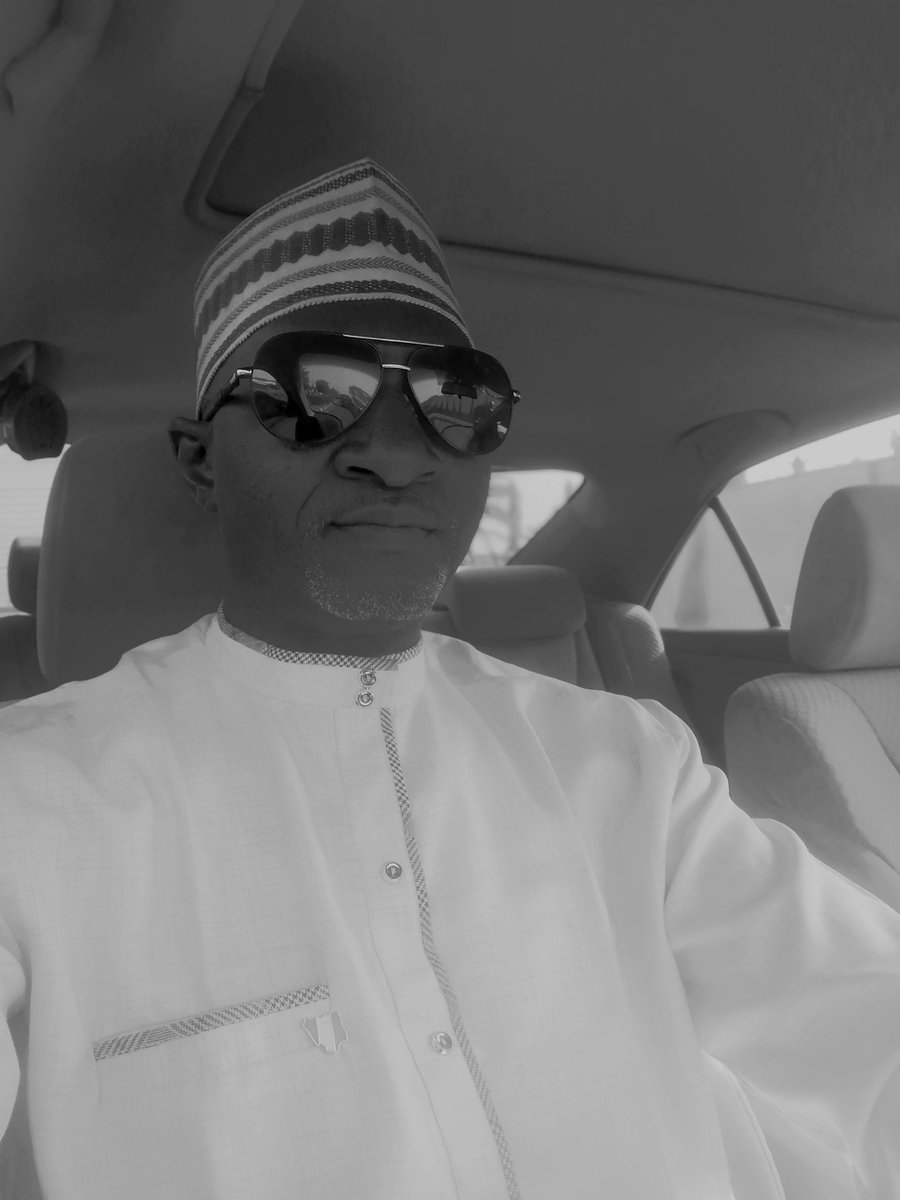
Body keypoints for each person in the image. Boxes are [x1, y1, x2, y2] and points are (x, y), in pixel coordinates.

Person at [0, 158, 897, 1200]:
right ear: (203, 458)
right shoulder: (32, 801)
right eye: (317, 394)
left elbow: (861, 1016)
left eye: (454, 401)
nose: (396, 451)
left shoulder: (626, 764)